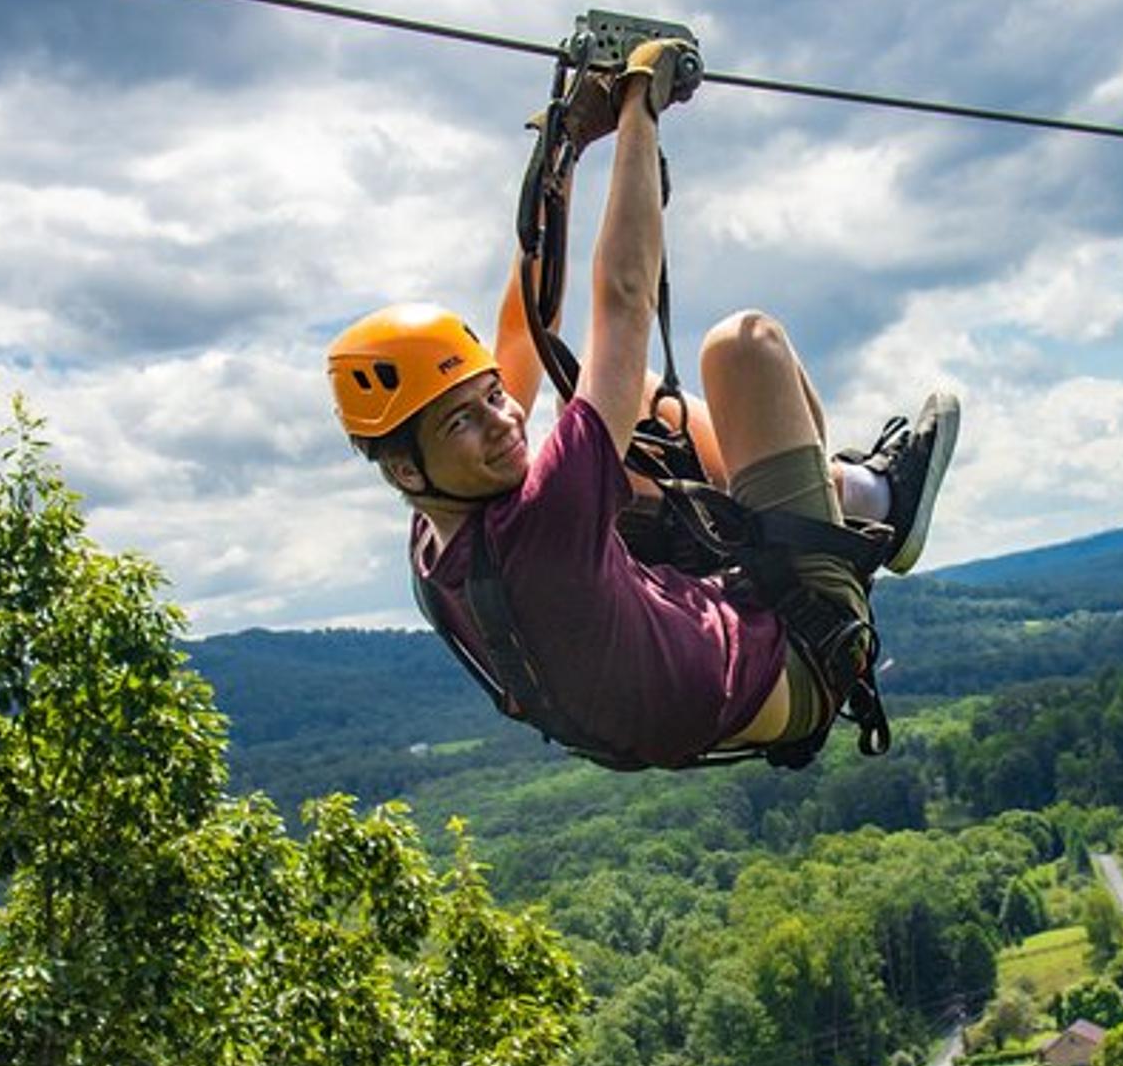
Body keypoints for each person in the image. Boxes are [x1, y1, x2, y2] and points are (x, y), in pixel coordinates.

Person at [326, 39, 958, 769]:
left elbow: (523, 335)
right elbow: (624, 302)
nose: (503, 421)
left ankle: (838, 491)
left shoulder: (434, 541)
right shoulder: (542, 523)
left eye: (491, 397)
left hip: (691, 679)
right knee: (742, 346)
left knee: (640, 417)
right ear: (407, 470)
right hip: (805, 646)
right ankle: (874, 499)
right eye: (462, 421)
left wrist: (564, 152)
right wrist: (638, 110)